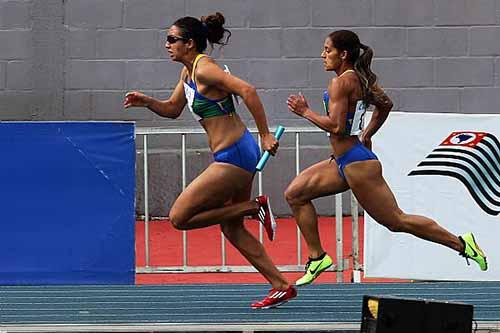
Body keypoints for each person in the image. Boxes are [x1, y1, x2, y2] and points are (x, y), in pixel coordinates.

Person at [285, 30, 488, 286]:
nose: (323, 55)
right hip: (344, 160)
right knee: (295, 194)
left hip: (357, 163)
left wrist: (305, 112)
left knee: (396, 221)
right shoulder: (360, 78)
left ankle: (461, 244)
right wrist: (367, 134)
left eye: (328, 50)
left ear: (343, 54)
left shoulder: (341, 83)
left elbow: (336, 127)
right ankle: (317, 257)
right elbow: (385, 104)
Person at [124, 13, 296, 308]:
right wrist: (147, 101)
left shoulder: (205, 69)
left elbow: (248, 90)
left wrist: (265, 134)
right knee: (231, 227)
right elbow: (172, 110)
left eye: (172, 39)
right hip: (231, 153)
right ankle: (281, 284)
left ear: (189, 44)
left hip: (236, 154)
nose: (167, 45)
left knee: (179, 218)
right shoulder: (187, 72)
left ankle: (254, 207)